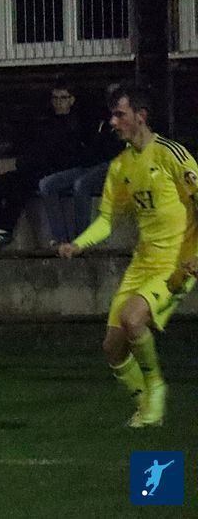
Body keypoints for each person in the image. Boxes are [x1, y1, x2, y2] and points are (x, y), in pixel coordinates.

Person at [58, 84, 198, 428]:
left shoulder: (171, 155)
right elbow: (107, 219)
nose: (113, 122)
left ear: (141, 116)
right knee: (113, 347)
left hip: (176, 264)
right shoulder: (121, 166)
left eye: (120, 115)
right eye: (112, 115)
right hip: (142, 264)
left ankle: (156, 390)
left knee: (133, 319)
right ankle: (145, 406)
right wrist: (79, 244)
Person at [0, 82, 82, 250]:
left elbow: (67, 156)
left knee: (19, 187)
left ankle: (3, 232)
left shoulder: (75, 125)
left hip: (51, 173)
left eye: (63, 98)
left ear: (72, 100)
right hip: (30, 169)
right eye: (55, 98)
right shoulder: (44, 121)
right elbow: (30, 146)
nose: (58, 102)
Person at [38, 85, 125, 246]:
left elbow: (118, 150)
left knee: (81, 184)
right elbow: (88, 145)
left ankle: (81, 241)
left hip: (113, 165)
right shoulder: (98, 118)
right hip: (90, 164)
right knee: (47, 184)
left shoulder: (127, 119)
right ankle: (60, 240)